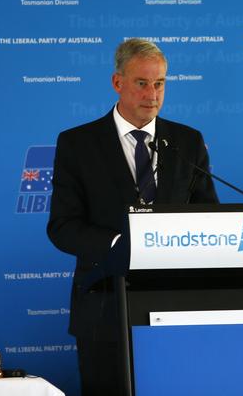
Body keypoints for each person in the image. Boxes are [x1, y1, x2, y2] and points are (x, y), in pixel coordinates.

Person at [47, 38, 218, 396]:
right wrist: (120, 246)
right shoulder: (78, 144)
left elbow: (209, 217)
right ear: (117, 82)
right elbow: (63, 227)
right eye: (142, 83)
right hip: (104, 307)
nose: (152, 94)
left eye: (160, 83)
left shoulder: (187, 142)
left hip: (177, 307)